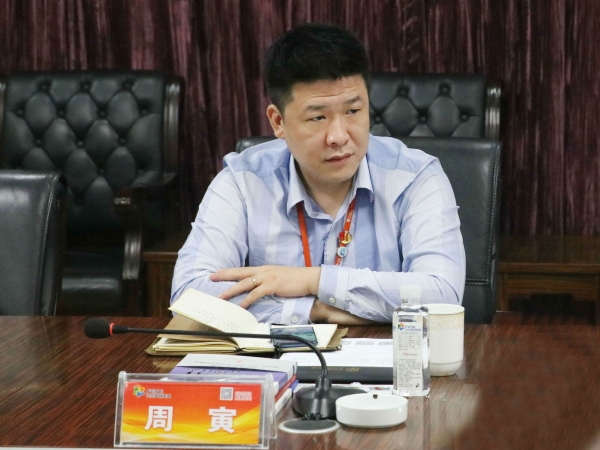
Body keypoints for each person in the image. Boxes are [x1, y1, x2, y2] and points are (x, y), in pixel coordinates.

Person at [171, 22, 465, 325]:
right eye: (318, 117)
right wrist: (316, 309)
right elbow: (188, 296)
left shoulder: (415, 178)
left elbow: (443, 296)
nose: (338, 136)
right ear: (278, 122)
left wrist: (312, 280)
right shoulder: (243, 182)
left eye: (353, 111)